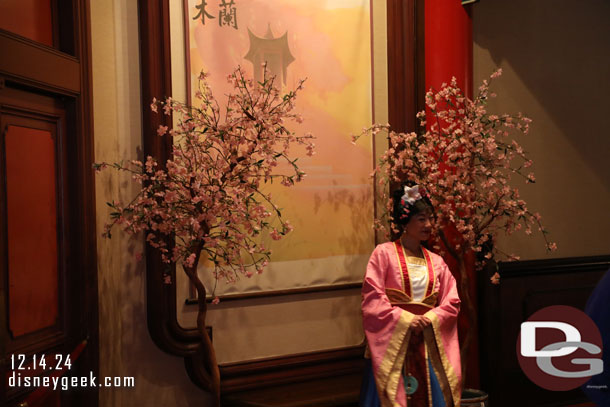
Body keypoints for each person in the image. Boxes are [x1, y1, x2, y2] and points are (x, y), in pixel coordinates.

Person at [360, 183, 461, 407]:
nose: (428, 225)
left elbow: (452, 300)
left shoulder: (437, 261)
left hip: (427, 338)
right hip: (394, 343)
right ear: (405, 221)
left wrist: (431, 318)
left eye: (430, 219)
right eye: (421, 219)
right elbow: (373, 297)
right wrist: (405, 319)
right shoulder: (383, 254)